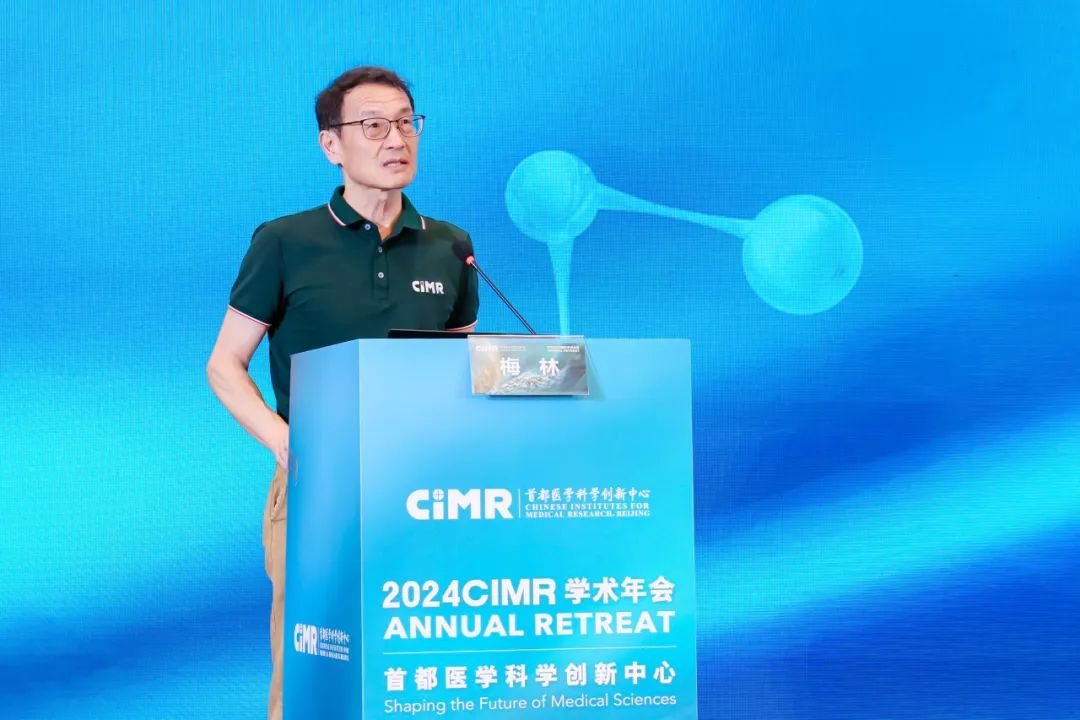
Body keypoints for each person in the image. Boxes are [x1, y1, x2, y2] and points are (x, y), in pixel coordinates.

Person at [205, 66, 478, 720]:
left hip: (424, 488)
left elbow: (466, 371)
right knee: (313, 675)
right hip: (318, 482)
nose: (397, 139)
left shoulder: (450, 247)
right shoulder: (285, 242)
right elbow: (224, 365)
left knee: (417, 663)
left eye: (407, 123)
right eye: (374, 126)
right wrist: (285, 442)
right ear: (332, 145)